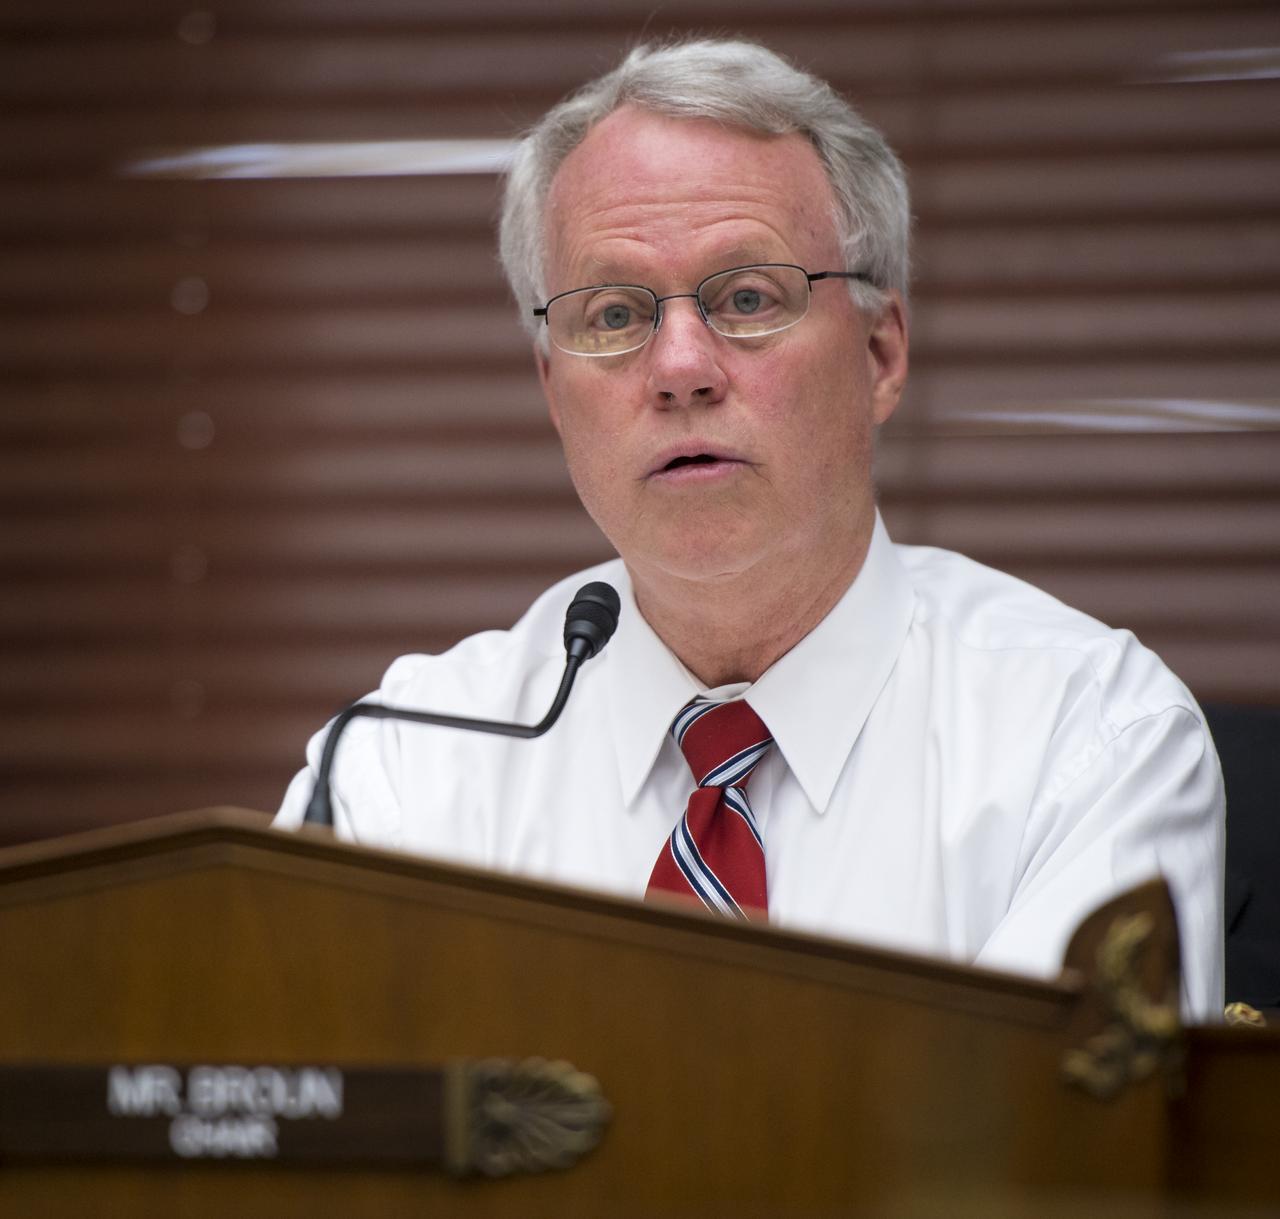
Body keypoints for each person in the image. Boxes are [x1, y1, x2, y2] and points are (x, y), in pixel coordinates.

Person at [276, 39, 1224, 1020]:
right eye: (612, 313)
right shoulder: (402, 768)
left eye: (745, 298)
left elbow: (1052, 1157)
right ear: (554, 393)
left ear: (879, 352)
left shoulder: (1087, 737)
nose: (679, 366)